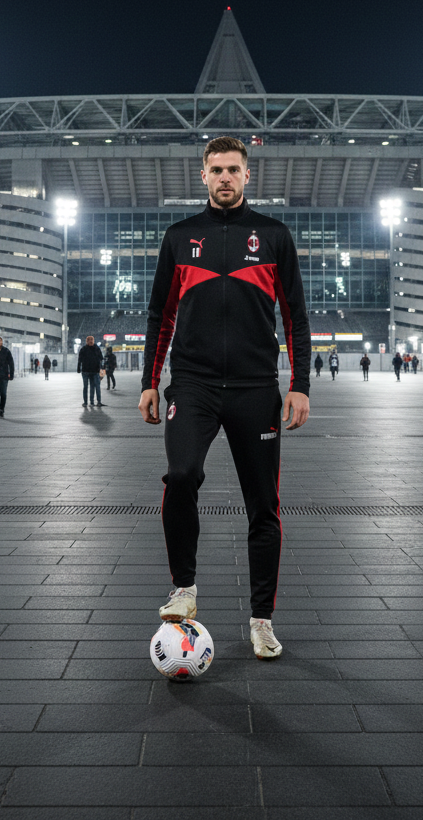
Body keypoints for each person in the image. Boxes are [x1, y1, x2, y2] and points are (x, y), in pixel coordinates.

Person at [138, 135, 311, 660]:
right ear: (203, 176)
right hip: (192, 384)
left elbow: (295, 317)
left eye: (234, 169)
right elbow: (159, 315)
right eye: (216, 170)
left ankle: (261, 621)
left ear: (247, 175)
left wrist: (300, 384)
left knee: (264, 507)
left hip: (257, 388)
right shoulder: (179, 237)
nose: (225, 178)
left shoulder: (274, 236)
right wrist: (150, 380)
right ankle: (184, 589)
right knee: (182, 474)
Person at [78, 335, 104, 406]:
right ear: (87, 341)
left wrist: (101, 368)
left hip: (92, 371)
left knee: (90, 386)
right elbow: (101, 358)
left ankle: (90, 402)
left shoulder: (85, 349)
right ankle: (91, 402)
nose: (90, 341)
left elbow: (101, 359)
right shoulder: (95, 349)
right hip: (89, 371)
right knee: (91, 386)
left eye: (91, 340)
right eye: (89, 340)